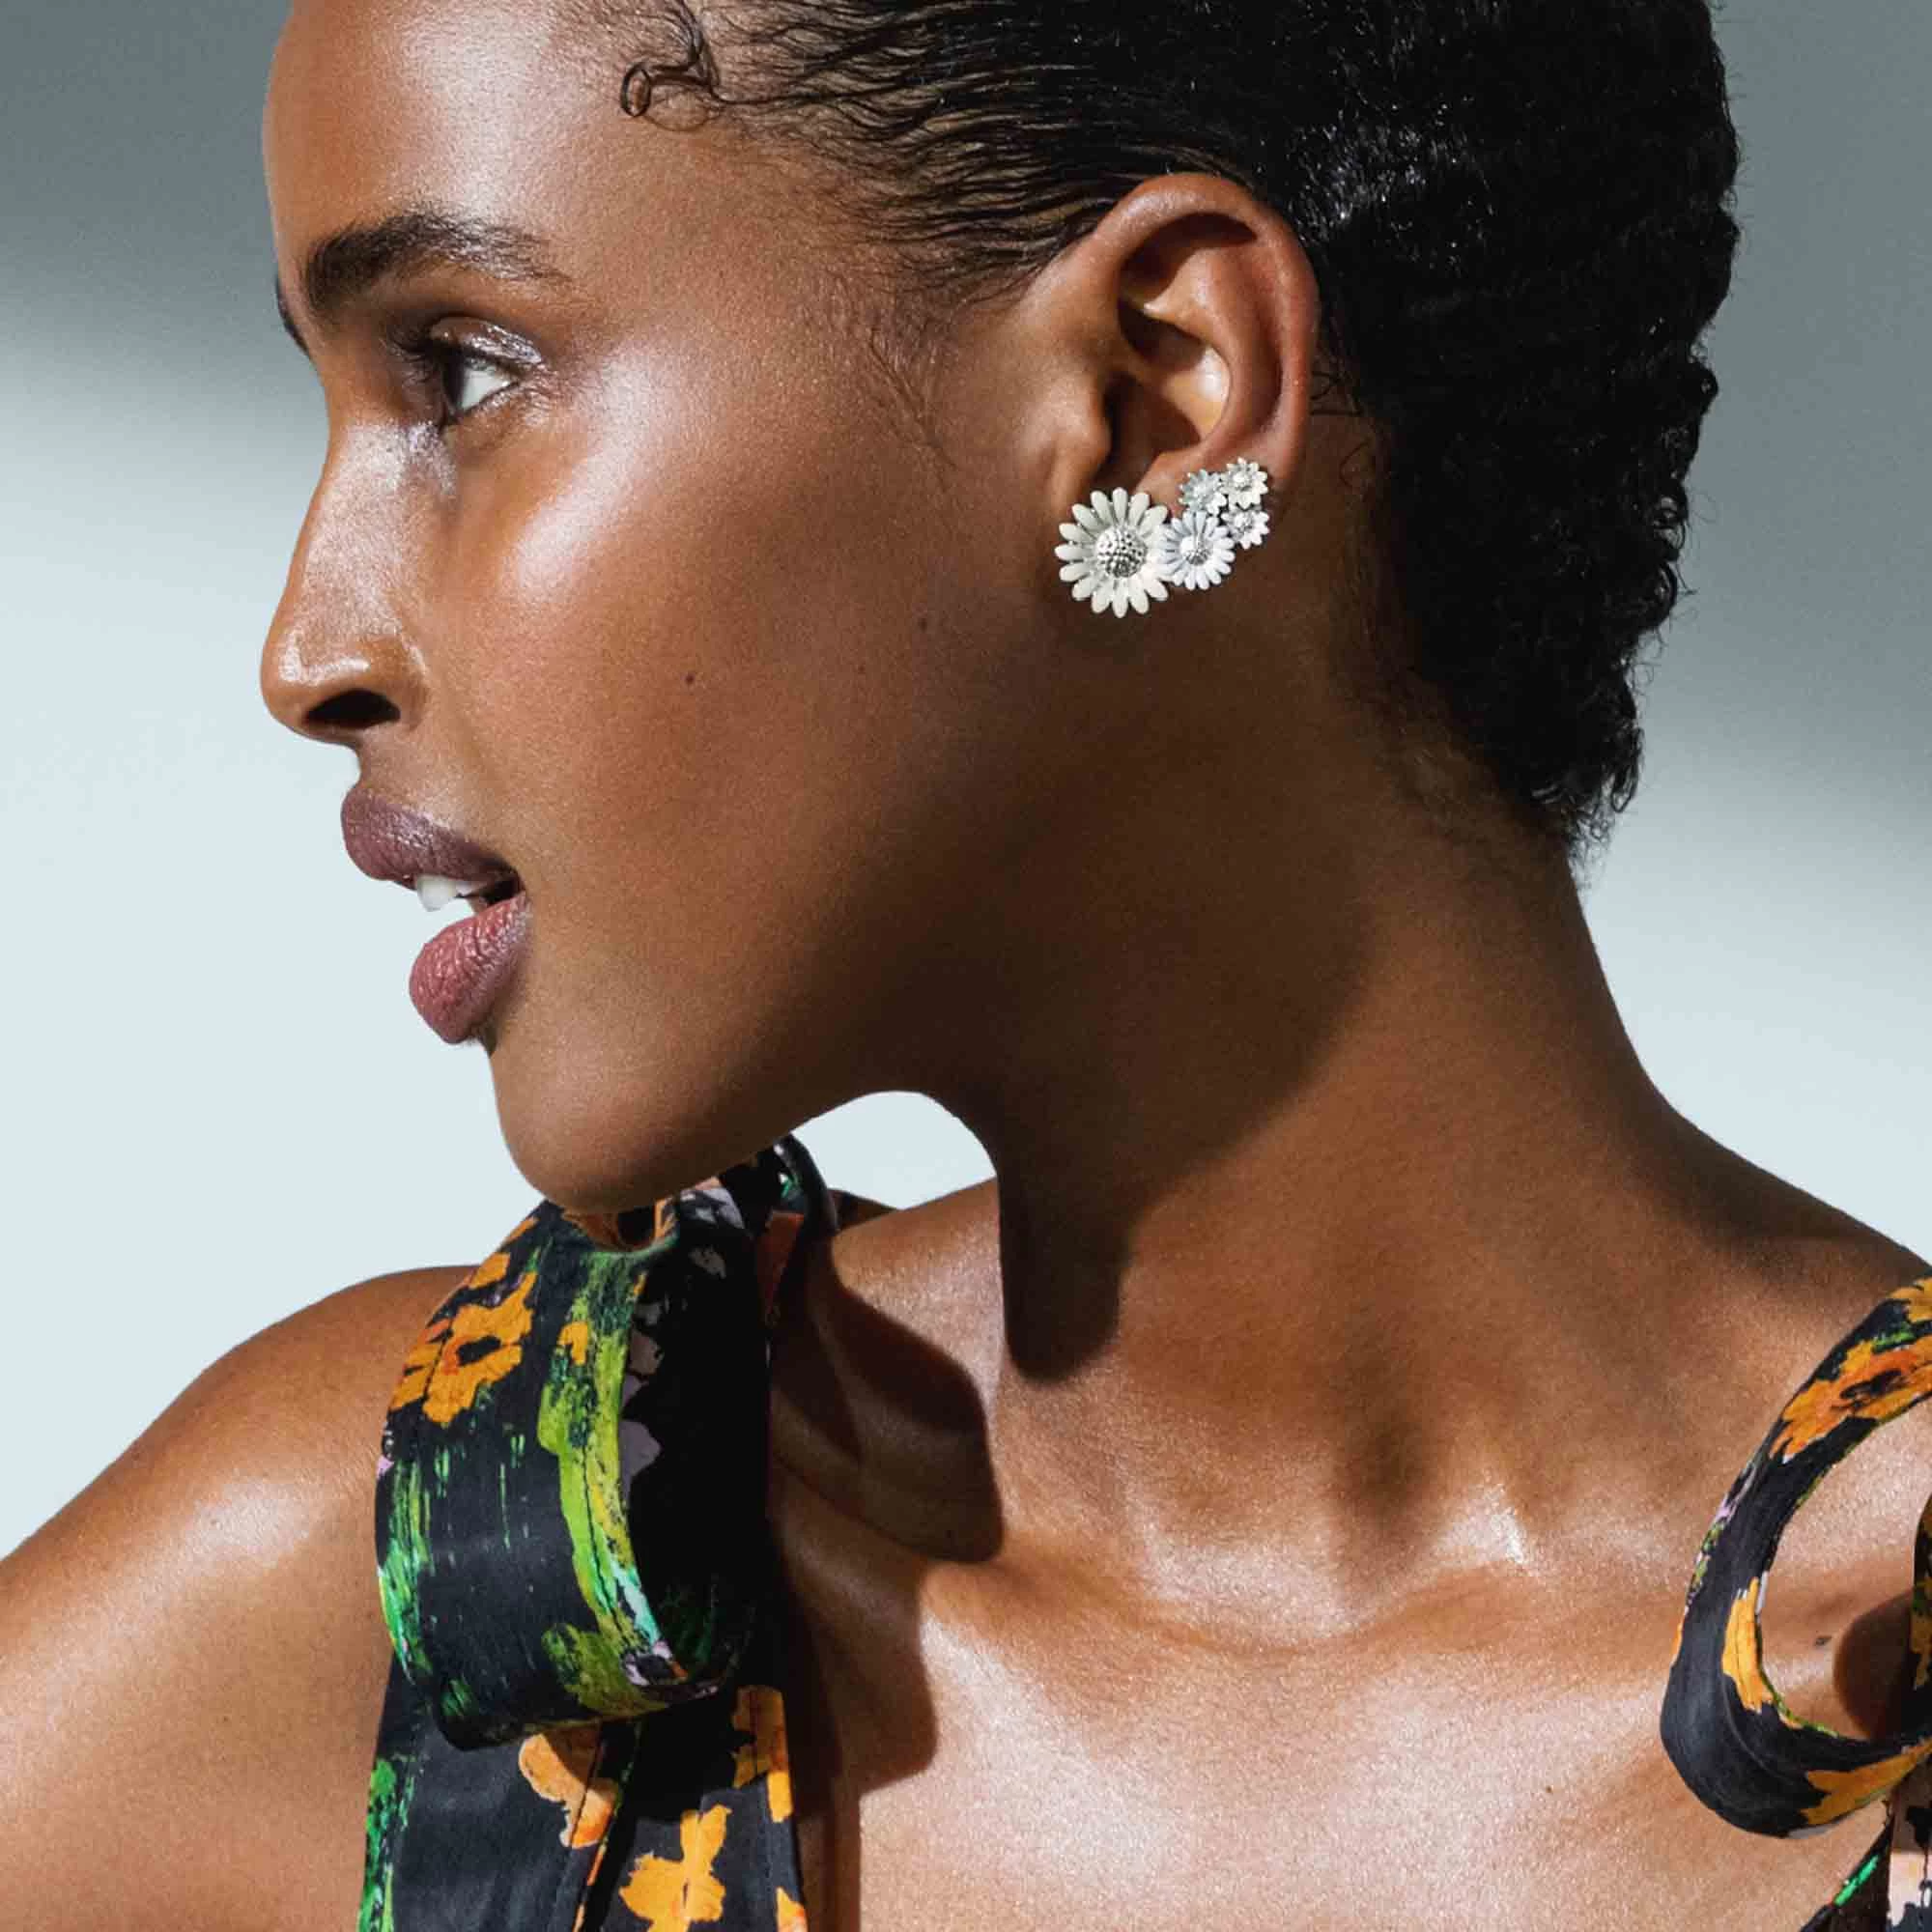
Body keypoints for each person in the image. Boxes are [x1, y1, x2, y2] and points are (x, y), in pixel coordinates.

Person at [4, 0, 1928, 1925]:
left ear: (1156, 392)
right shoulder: (421, 1605)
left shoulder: (1887, 1682)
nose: (307, 650)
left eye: (462, 371)